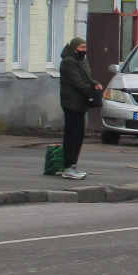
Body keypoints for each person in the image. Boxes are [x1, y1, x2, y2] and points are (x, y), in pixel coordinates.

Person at [58, 37, 102, 180]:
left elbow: (86, 78)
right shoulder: (69, 62)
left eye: (85, 47)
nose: (84, 50)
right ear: (74, 48)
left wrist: (94, 83)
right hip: (71, 104)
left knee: (79, 135)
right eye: (81, 47)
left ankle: (73, 165)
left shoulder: (82, 61)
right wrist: (92, 92)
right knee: (72, 136)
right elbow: (77, 82)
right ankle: (68, 167)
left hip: (80, 104)